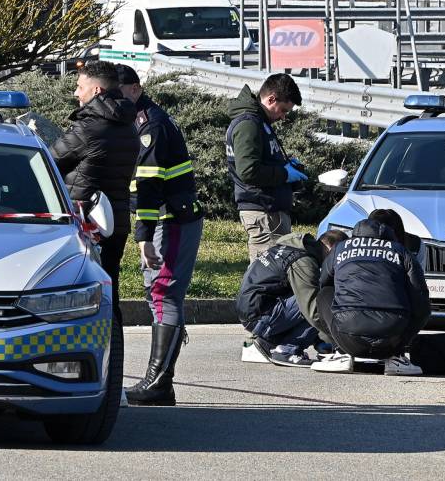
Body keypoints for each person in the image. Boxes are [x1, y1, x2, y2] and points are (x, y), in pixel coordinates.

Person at [114, 65, 204, 406]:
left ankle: (159, 382)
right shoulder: (136, 122)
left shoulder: (150, 125)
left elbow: (149, 187)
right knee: (157, 295)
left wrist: (144, 238)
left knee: (164, 294)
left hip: (172, 220)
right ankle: (158, 380)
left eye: (118, 92)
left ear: (135, 90)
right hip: (165, 219)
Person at [51, 61, 139, 289]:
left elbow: (50, 162)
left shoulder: (90, 128)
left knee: (84, 291)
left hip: (87, 221)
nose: (76, 93)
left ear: (96, 90)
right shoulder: (126, 123)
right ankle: (114, 326)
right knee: (110, 289)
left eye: (80, 87)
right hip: (115, 220)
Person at [312, 210, 431, 376]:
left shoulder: (340, 248)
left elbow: (323, 282)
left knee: (324, 293)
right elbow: (421, 299)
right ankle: (397, 358)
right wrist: (404, 340)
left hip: (348, 337)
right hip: (392, 340)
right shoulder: (401, 251)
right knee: (414, 295)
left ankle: (341, 354)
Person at [236, 229, 348, 368]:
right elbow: (313, 311)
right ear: (331, 248)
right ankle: (287, 350)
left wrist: (321, 343)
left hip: (253, 310)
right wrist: (341, 343)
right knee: (320, 301)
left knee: (310, 300)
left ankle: (266, 343)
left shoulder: (291, 249)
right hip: (259, 316)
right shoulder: (304, 262)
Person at [226, 73, 305, 261]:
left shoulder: (260, 122)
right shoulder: (249, 125)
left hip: (269, 212)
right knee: (267, 276)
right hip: (263, 213)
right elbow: (248, 171)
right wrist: (285, 174)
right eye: (283, 110)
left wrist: (285, 165)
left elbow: (260, 161)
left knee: (273, 275)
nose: (284, 117)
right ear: (271, 99)